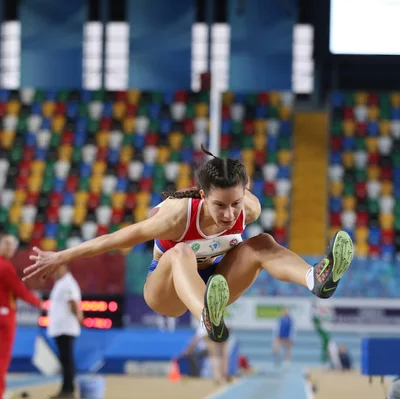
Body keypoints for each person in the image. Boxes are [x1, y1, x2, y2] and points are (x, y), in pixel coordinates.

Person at [23, 146, 354, 347]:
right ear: (202, 195)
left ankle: (315, 278)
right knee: (179, 251)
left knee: (262, 243)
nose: (229, 215)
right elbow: (116, 239)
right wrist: (61, 256)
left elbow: (248, 231)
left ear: (246, 192)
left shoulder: (249, 208)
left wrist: (241, 217)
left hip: (215, 282)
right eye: (219, 206)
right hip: (167, 290)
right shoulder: (176, 215)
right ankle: (205, 318)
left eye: (235, 204)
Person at [0, 234, 44, 399]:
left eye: (13, 245)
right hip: (5, 317)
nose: (11, 249)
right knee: (2, 360)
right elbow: (19, 290)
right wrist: (38, 303)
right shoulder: (5, 267)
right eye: (7, 245)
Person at [47, 264, 83, 399]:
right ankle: (66, 388)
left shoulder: (68, 283)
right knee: (65, 359)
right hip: (60, 327)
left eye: (56, 268)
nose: (54, 272)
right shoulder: (61, 282)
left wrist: (78, 317)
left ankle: (68, 389)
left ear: (65, 269)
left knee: (67, 359)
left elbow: (73, 302)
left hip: (66, 327)